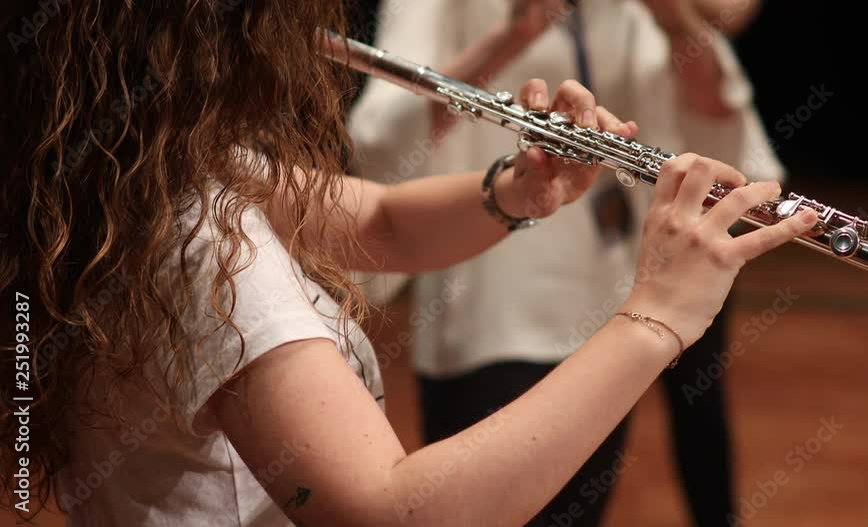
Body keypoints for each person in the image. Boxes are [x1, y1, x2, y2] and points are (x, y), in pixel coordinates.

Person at [0, 2, 817, 526]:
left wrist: (518, 189)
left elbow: (383, 223)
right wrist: (657, 316)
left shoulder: (135, 174)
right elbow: (393, 511)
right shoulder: (203, 247)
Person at [349, 1, 781, 524]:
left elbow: (721, 124)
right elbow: (381, 139)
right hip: (491, 310)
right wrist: (515, 34)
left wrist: (674, 17)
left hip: (604, 303)